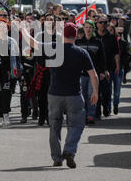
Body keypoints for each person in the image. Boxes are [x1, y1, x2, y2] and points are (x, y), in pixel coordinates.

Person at [21, 22, 99, 169]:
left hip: (54, 94)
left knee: (54, 126)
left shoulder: (54, 48)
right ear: (76, 36)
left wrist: (23, 29)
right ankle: (69, 150)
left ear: (63, 35)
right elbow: (93, 75)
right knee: (76, 124)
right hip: (74, 95)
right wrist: (95, 92)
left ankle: (57, 158)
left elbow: (33, 42)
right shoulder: (82, 52)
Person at [0, 18, 22, 128]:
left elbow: (17, 59)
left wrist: (17, 72)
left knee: (6, 94)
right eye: (1, 27)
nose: (3, 29)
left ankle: (6, 116)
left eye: (5, 27)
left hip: (7, 73)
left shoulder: (12, 41)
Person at [76, 21, 107, 124]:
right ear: (83, 29)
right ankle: (83, 115)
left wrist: (102, 71)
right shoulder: (78, 42)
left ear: (93, 29)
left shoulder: (98, 42)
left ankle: (90, 115)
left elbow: (102, 58)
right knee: (82, 95)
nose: (88, 29)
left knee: (91, 94)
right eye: (86, 27)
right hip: (81, 73)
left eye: (90, 27)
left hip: (94, 74)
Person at [95, 15, 120, 118]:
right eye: (100, 22)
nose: (103, 25)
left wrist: (118, 66)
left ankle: (106, 108)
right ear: (97, 24)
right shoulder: (94, 37)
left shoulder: (111, 37)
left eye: (105, 23)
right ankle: (96, 111)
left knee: (106, 90)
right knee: (96, 90)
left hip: (109, 67)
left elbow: (116, 53)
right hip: (96, 68)